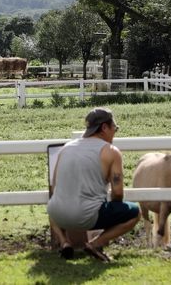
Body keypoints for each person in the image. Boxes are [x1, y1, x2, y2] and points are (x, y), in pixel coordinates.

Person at [48, 107, 140, 262]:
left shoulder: (66, 148)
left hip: (56, 215)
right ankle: (95, 244)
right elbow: (117, 193)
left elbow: (54, 186)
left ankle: (64, 242)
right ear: (104, 127)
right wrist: (113, 211)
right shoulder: (111, 151)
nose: (114, 133)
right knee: (135, 213)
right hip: (87, 217)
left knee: (54, 203)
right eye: (114, 129)